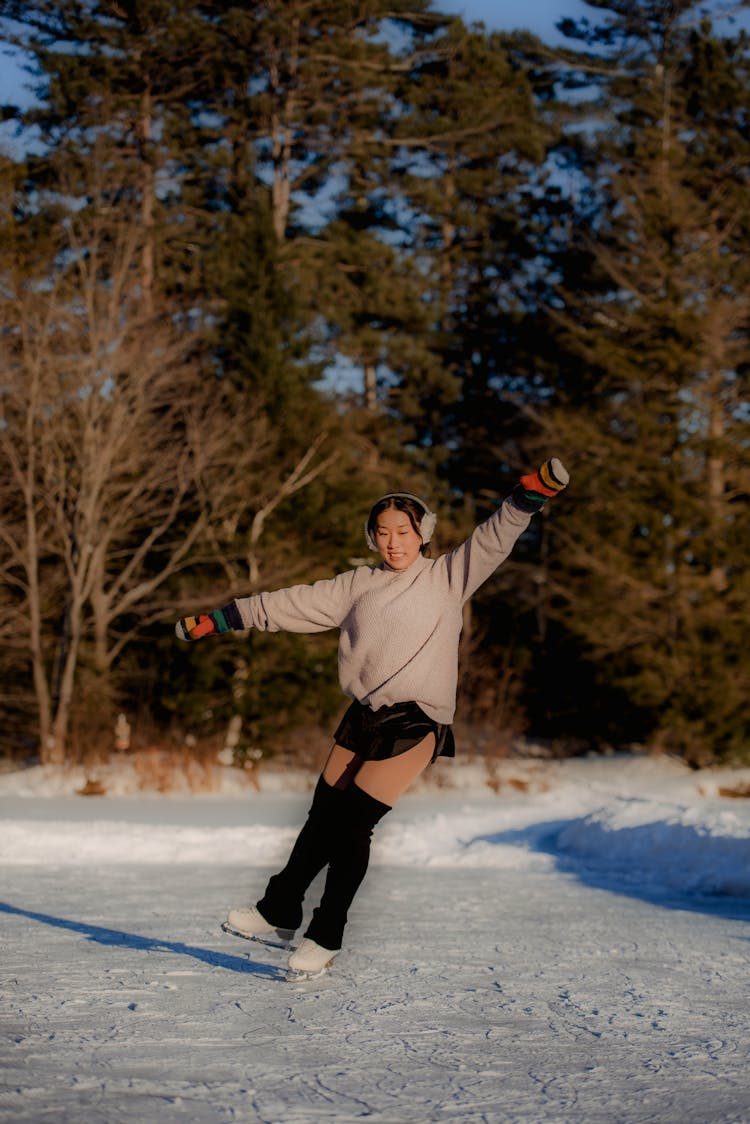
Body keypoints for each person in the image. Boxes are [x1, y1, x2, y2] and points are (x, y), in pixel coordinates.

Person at [175, 457, 569, 976]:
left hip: (417, 722)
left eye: (403, 531)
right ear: (371, 537)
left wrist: (528, 496)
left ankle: (326, 933)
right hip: (364, 715)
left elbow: (494, 538)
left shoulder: (448, 577)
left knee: (352, 825)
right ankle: (279, 909)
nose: (393, 541)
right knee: (322, 817)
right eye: (382, 532)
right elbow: (288, 605)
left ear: (422, 533)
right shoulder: (356, 586)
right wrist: (220, 619)